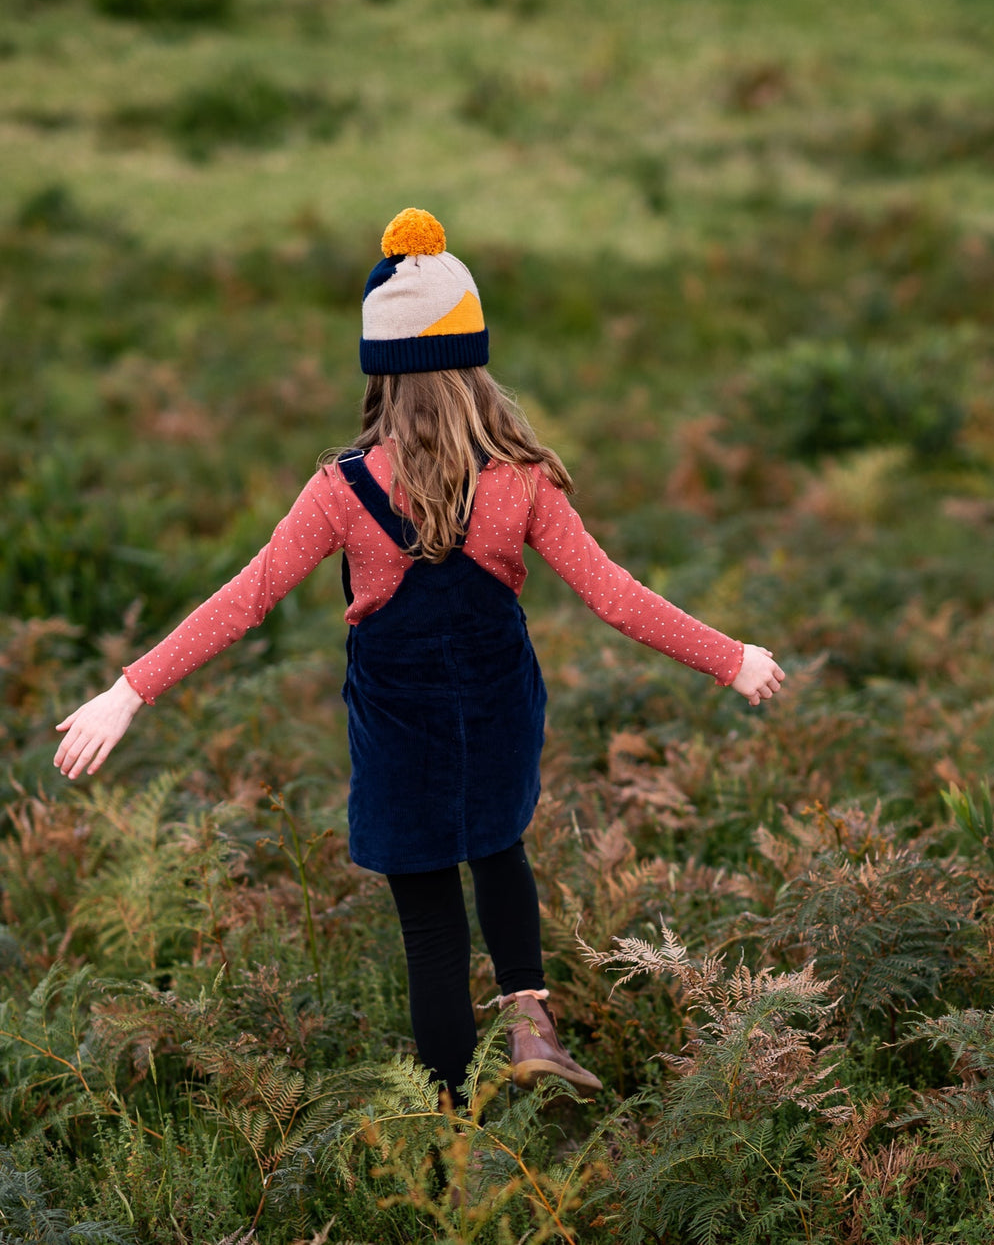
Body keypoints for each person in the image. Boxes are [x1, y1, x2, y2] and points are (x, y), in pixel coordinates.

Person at [54, 208, 785, 1104]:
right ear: (475, 363)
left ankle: (450, 1142)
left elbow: (244, 600)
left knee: (432, 932)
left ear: (383, 374)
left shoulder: (341, 489)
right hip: (496, 711)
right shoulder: (522, 478)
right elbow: (615, 598)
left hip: (399, 731)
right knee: (501, 846)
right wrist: (730, 655)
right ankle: (529, 1020)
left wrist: (128, 691)